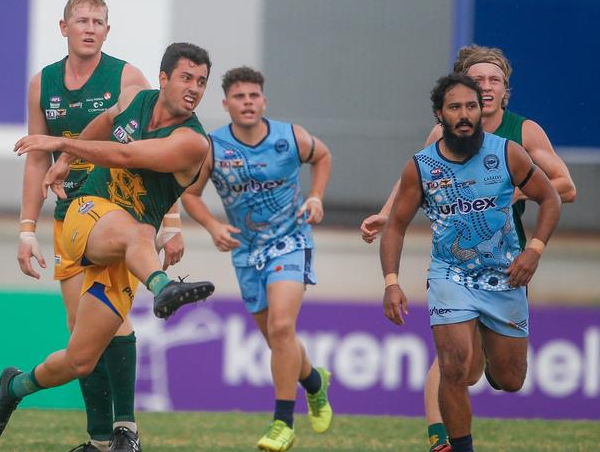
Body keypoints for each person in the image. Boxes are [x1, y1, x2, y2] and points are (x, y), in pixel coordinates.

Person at [0, 42, 215, 450]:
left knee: (81, 358)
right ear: (163, 79)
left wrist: (60, 145)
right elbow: (105, 121)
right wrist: (65, 164)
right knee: (139, 233)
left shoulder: (193, 142)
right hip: (85, 213)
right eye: (186, 78)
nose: (194, 87)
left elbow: (126, 155)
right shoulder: (132, 98)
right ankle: (164, 288)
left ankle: (14, 386)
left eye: (201, 81)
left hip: (124, 245)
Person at [360, 45, 576, 451]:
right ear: (447, 105)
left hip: (507, 266)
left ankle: (490, 362)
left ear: (501, 93)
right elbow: (414, 181)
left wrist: (513, 202)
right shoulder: (436, 142)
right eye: (478, 80)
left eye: (494, 81)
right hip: (452, 269)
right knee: (454, 365)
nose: (486, 88)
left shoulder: (519, 137)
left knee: (505, 378)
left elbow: (563, 189)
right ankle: (444, 440)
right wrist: (387, 216)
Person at [16, 0, 186, 452]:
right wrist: (27, 230)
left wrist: (169, 222)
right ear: (63, 27)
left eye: (99, 22)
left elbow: (156, 150)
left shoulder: (127, 77)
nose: (90, 28)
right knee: (80, 337)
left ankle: (125, 430)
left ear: (107, 31)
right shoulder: (42, 84)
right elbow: (37, 160)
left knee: (113, 320)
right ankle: (97, 439)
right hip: (68, 218)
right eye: (82, 20)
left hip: (119, 216)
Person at [181, 67, 333, 451]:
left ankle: (282, 423)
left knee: (283, 327)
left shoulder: (290, 136)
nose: (247, 102)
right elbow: (191, 195)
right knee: (277, 340)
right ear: (226, 104)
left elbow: (323, 156)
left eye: (253, 96)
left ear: (263, 100)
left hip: (291, 240)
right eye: (239, 96)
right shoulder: (212, 147)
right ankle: (314, 382)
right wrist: (214, 227)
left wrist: (315, 196)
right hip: (246, 252)